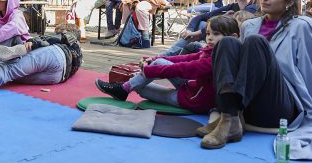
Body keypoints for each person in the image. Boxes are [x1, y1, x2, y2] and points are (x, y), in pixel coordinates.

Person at [198, 0, 312, 159]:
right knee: (227, 42)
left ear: (289, 2)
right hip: (247, 105)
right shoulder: (249, 25)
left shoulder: (302, 26)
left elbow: (308, 71)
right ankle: (229, 117)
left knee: (255, 42)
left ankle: (230, 118)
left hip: (279, 105)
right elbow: (238, 67)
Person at [95, 16, 239, 113]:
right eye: (208, 34)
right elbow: (187, 58)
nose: (210, 38)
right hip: (191, 88)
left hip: (195, 101)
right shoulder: (211, 50)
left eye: (216, 34)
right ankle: (124, 88)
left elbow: (185, 69)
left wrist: (152, 71)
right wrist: (153, 59)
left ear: (233, 38)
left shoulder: (218, 59)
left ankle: (123, 89)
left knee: (141, 88)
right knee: (141, 80)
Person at [164, 0, 258, 56]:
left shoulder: (253, 8)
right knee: (201, 24)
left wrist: (198, 33)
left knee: (196, 41)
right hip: (218, 44)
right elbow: (200, 17)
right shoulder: (231, 7)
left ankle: (166, 58)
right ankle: (166, 57)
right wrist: (190, 29)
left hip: (234, 51)